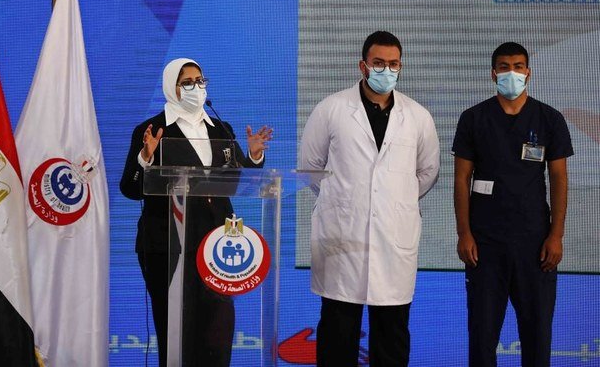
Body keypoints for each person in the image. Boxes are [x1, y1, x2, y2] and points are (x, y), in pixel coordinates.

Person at [120, 58, 272, 367]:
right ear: (171, 87)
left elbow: (234, 182)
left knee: (217, 328)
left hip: (216, 246)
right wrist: (145, 158)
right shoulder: (152, 129)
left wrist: (254, 157)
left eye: (200, 80)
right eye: (187, 82)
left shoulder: (220, 128)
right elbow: (130, 188)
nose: (196, 88)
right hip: (168, 246)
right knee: (177, 330)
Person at [299, 31, 440, 366]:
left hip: (394, 238)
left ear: (400, 66)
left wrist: (391, 201)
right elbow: (310, 167)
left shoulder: (418, 116)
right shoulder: (332, 108)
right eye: (379, 63)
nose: (386, 70)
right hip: (342, 237)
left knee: (391, 336)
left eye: (393, 64)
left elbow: (427, 172)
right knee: (337, 334)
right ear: (363, 65)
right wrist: (348, 199)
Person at [452, 42, 573, 367]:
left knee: (537, 339)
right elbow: (461, 179)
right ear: (494, 73)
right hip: (484, 246)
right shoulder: (473, 119)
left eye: (518, 66)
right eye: (504, 67)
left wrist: (556, 236)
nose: (512, 73)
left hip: (536, 246)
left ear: (528, 73)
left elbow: (559, 179)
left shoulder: (549, 119)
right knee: (482, 339)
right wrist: (464, 233)